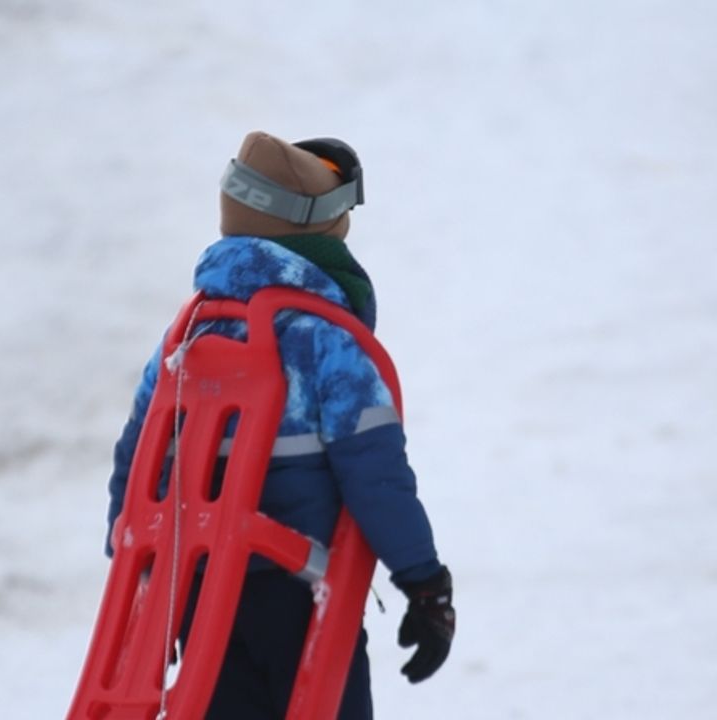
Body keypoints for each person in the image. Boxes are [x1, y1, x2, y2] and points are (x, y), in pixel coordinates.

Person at [104, 131, 456, 719]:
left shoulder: (184, 338)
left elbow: (136, 462)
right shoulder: (329, 344)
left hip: (199, 597)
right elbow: (376, 478)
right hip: (297, 599)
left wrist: (140, 579)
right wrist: (425, 583)